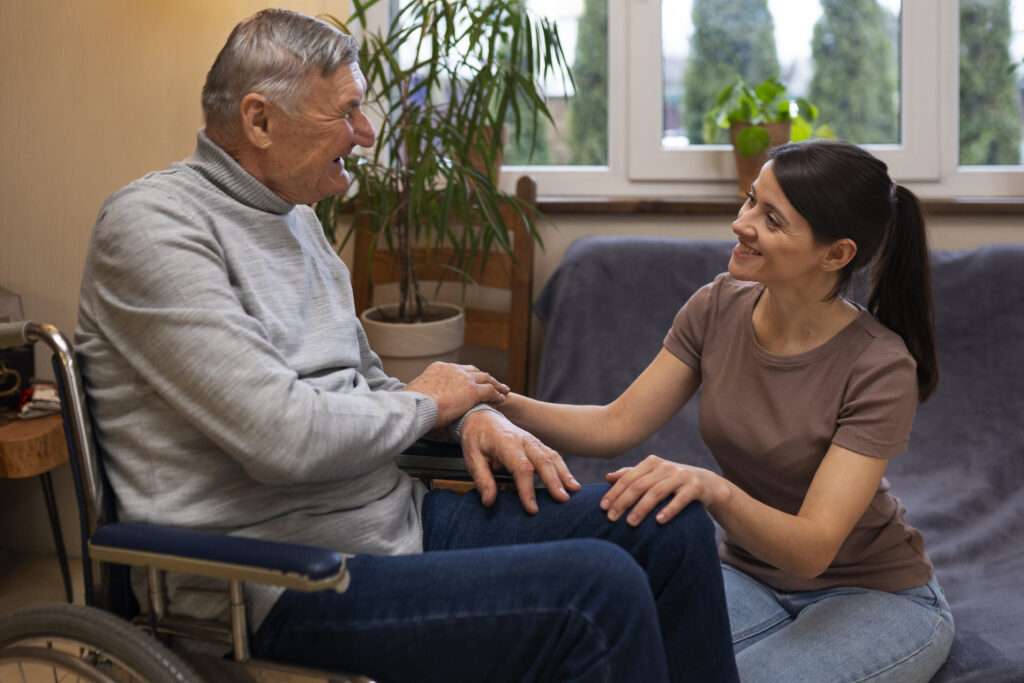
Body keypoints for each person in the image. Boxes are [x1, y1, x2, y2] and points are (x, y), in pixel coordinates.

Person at [75, 9, 738, 682]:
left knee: (669, 522)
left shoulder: (297, 222)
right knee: (598, 590)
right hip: (275, 579)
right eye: (347, 113)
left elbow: (367, 389)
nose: (364, 135)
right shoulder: (153, 229)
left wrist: (469, 415)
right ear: (259, 120)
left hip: (391, 525)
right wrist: (428, 402)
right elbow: (281, 436)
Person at [497, 140, 955, 682]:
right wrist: (492, 400)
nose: (742, 223)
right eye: (749, 201)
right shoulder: (718, 305)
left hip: (875, 593)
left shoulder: (880, 367)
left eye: (772, 218)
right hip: (749, 575)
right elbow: (615, 423)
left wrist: (713, 488)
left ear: (836, 255)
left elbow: (811, 548)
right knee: (611, 661)